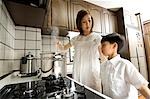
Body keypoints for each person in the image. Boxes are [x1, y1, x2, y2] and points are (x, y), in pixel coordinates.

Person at [57, 10, 104, 91]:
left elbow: (103, 57)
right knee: (79, 94)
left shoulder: (97, 37)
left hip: (92, 74)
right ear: (79, 24)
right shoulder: (75, 39)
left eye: (89, 20)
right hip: (78, 74)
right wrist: (58, 44)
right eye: (84, 22)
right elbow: (64, 48)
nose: (88, 24)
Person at [100, 33, 150, 99]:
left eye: (104, 45)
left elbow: (141, 87)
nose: (101, 48)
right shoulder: (103, 66)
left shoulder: (125, 65)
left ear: (114, 46)